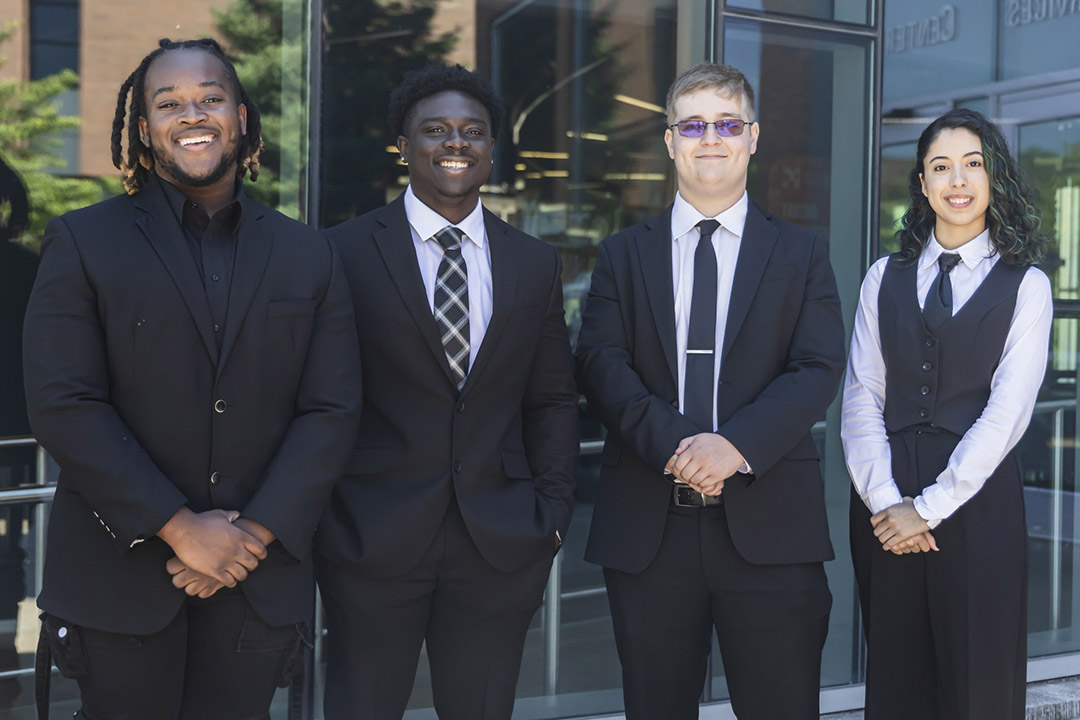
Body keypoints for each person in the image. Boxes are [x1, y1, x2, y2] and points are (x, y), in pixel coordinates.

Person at [22, 37, 361, 720]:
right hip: (118, 576)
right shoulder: (83, 241)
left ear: (240, 117)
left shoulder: (310, 252)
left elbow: (332, 409)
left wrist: (251, 536)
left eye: (211, 97)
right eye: (169, 102)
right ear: (144, 130)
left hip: (255, 577)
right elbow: (64, 403)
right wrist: (180, 528)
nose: (193, 113)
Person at [575, 63, 844, 719]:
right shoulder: (620, 255)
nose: (710, 138)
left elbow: (817, 366)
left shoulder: (801, 253)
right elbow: (602, 364)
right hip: (649, 528)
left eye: (727, 124)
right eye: (693, 124)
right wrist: (680, 448)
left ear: (753, 137)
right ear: (670, 141)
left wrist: (734, 447)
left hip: (771, 526)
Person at [315, 64, 578, 720]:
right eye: (434, 130)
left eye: (473, 131)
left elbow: (550, 399)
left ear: (492, 147)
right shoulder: (339, 253)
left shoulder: (535, 263)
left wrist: (551, 516)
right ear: (403, 146)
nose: (455, 142)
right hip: (370, 541)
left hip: (499, 543)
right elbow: (316, 397)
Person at [842, 108, 1052, 720]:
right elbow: (861, 395)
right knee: (897, 685)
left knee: (976, 689)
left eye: (972, 164)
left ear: (995, 177)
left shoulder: (1026, 284)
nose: (957, 180)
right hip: (885, 505)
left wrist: (926, 508)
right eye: (941, 167)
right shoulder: (883, 276)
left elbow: (1007, 414)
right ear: (923, 183)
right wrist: (886, 503)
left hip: (977, 504)